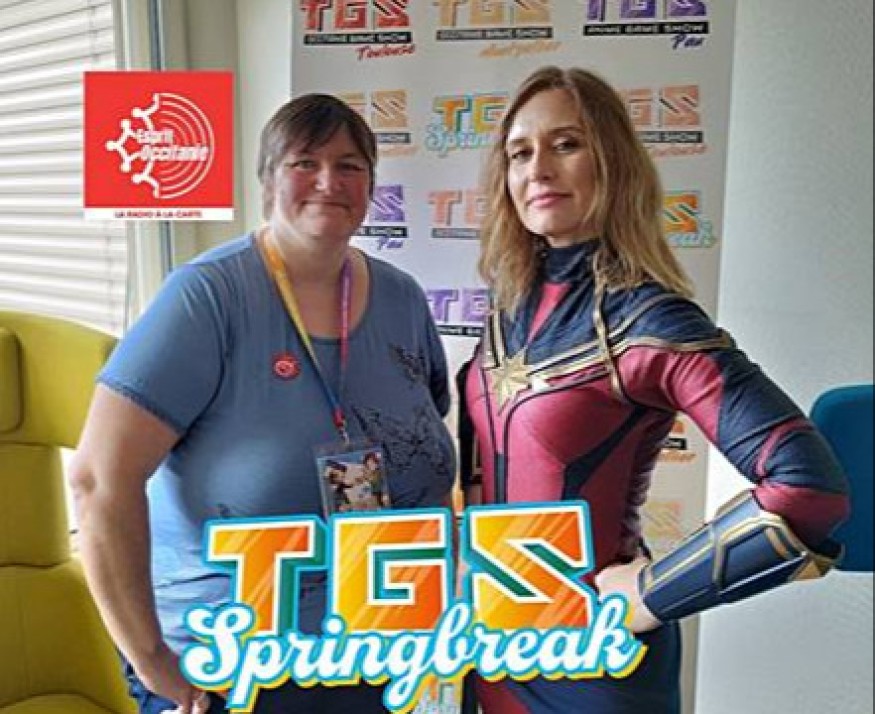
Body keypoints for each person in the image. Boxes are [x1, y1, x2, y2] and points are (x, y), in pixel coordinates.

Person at [458, 65, 850, 714]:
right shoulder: (505, 310)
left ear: (611, 160)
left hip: (594, 664)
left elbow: (809, 488)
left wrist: (650, 593)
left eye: (566, 144)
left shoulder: (650, 320)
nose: (538, 169)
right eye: (519, 153)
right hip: (493, 649)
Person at [70, 94, 455, 714]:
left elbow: (427, 442)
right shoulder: (207, 297)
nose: (329, 181)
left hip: (378, 654)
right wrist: (152, 660)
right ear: (268, 179)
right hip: (229, 668)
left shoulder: (402, 298)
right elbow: (97, 480)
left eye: (350, 165)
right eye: (305, 162)